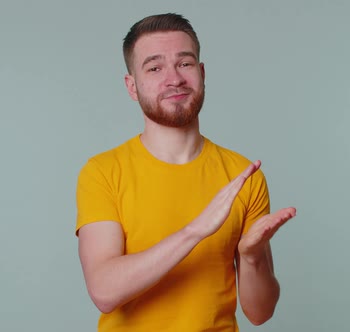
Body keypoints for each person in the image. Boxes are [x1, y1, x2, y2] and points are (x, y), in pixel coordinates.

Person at [75, 13, 296, 332]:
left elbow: (260, 313)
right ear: (132, 86)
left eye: (185, 63)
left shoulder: (242, 175)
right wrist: (195, 231)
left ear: (202, 73)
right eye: (154, 68)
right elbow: (104, 290)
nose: (174, 79)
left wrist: (251, 258)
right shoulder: (103, 172)